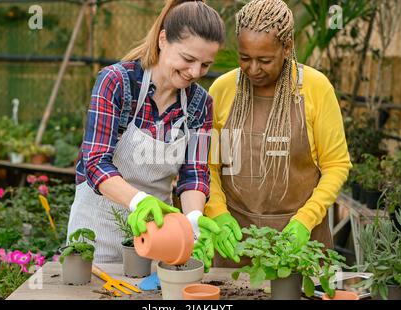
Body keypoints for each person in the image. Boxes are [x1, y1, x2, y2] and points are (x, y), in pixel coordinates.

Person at [67, 0, 226, 272]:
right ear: (163, 39)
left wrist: (194, 219)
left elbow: (194, 174)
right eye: (188, 59)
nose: (195, 73)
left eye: (205, 65)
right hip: (98, 227)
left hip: (159, 233)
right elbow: (94, 162)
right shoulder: (117, 83)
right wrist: (139, 201)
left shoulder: (201, 104)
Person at [204, 0, 352, 268]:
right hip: (234, 243)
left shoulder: (315, 89)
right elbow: (208, 165)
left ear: (287, 48)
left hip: (300, 245)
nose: (253, 69)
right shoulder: (223, 89)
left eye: (264, 60)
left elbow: (337, 165)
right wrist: (216, 213)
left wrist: (305, 221)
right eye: (244, 58)